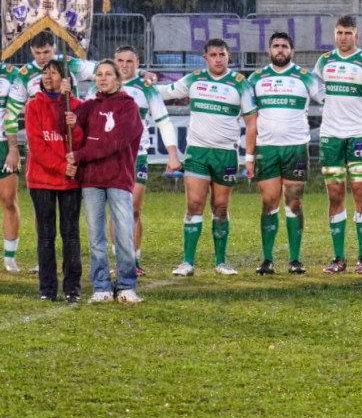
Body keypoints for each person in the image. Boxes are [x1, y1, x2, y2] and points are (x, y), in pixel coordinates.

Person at [161, 39, 257, 276]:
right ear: (205, 57)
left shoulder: (240, 84)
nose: (218, 59)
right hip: (197, 152)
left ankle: (221, 262)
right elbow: (165, 92)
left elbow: (252, 121)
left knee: (221, 208)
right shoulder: (194, 79)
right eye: (213, 54)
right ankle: (187, 262)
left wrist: (249, 156)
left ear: (228, 57)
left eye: (222, 54)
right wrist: (145, 82)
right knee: (194, 205)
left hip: (226, 154)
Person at [314, 15, 362, 275]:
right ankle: (338, 258)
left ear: (356, 35)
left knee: (360, 195)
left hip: (359, 134)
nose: (343, 37)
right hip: (331, 136)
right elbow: (314, 89)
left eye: (348, 33)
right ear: (335, 34)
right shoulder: (324, 61)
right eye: (339, 32)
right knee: (334, 196)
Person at [245, 32, 322, 275]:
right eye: (276, 46)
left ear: (292, 51)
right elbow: (244, 110)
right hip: (266, 149)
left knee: (294, 202)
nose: (280, 50)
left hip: (296, 148)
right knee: (268, 203)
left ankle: (295, 259)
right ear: (269, 51)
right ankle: (267, 260)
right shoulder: (256, 78)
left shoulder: (304, 77)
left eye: (285, 46)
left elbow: (329, 100)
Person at [68, 60, 144, 303]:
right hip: (91, 180)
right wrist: (68, 116)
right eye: (99, 74)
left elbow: (115, 143)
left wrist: (80, 156)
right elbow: (70, 130)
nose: (102, 78)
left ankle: (126, 285)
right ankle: (101, 286)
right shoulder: (87, 107)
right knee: (95, 238)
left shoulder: (128, 107)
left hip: (119, 179)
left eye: (108, 74)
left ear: (118, 79)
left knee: (123, 235)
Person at [114, 45, 180, 276]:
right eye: (120, 60)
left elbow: (163, 120)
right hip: (109, 157)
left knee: (132, 209)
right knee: (114, 210)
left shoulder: (146, 88)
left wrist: (172, 154)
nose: (124, 65)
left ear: (137, 63)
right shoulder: (101, 84)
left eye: (129, 61)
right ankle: (118, 261)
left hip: (137, 155)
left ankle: (134, 260)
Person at [26, 60, 82, 301]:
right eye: (45, 72)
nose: (48, 76)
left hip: (70, 181)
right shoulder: (33, 106)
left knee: (70, 234)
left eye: (54, 72)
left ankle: (72, 288)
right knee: (46, 235)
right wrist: (62, 166)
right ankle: (47, 289)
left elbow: (80, 143)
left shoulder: (76, 106)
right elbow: (37, 146)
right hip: (41, 180)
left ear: (65, 78)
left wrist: (75, 125)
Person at [0, 61, 23, 272]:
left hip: (3, 145)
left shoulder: (12, 73)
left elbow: (13, 112)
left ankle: (9, 256)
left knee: (8, 199)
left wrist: (13, 148)